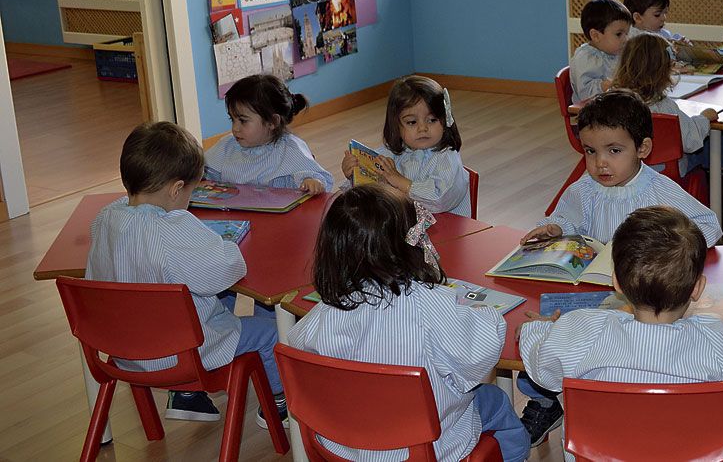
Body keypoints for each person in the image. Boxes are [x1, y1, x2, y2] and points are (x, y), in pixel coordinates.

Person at [517, 206, 723, 449]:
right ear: (698, 288)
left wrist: (538, 331)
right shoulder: (717, 341)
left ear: (616, 283)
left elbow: (543, 371)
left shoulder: (583, 329)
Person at [287, 185, 529, 461]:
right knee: (495, 401)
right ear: (407, 246)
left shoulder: (326, 310)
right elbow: (479, 353)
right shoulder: (429, 303)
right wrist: (488, 314)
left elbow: (301, 353)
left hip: (343, 444)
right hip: (421, 449)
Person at [86, 122, 286, 426]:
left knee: (202, 298)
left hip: (121, 349)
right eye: (190, 192)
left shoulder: (104, 218)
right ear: (176, 189)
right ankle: (281, 406)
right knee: (271, 333)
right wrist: (226, 245)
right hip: (178, 356)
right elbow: (226, 269)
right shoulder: (174, 228)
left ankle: (187, 398)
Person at [527, 89, 722, 248]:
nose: (600, 162)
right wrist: (557, 228)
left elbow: (709, 225)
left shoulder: (661, 191)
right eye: (591, 151)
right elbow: (568, 220)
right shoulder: (584, 189)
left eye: (614, 150)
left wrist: (667, 244)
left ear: (642, 148)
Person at [340, 75, 472, 216]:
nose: (423, 128)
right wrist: (354, 175)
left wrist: (400, 181)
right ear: (396, 126)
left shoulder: (447, 158)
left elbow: (439, 200)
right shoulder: (393, 152)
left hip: (448, 232)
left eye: (432, 120)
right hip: (406, 229)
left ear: (445, 120)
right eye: (412, 122)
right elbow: (371, 190)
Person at [204, 74, 333, 193]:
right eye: (232, 119)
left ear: (272, 121)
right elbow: (204, 170)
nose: (235, 128)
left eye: (243, 121)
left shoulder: (290, 149)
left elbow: (319, 177)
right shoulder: (228, 146)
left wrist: (311, 182)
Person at [610, 34, 716, 177]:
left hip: (620, 169)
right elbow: (690, 140)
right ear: (663, 71)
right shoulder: (664, 106)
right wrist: (704, 118)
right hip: (662, 173)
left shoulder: (610, 99)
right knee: (704, 152)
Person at [569, 0, 632, 102]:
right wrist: (610, 83)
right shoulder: (586, 57)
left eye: (627, 33)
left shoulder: (614, 51)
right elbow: (585, 94)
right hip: (594, 111)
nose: (626, 39)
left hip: (613, 104)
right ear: (595, 35)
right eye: (619, 34)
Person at [623, 0, 688, 45]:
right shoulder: (628, 40)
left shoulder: (664, 34)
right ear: (638, 18)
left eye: (665, 12)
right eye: (657, 15)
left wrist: (680, 46)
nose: (664, 18)